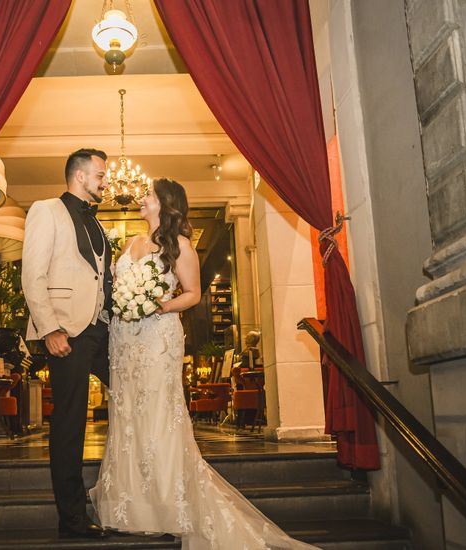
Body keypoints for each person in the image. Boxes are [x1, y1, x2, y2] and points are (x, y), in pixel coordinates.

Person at [89, 178, 317, 549]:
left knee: (159, 414)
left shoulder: (181, 246)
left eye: (148, 195)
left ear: (165, 203)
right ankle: (129, 505)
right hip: (124, 339)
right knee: (127, 414)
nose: (142, 199)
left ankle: (165, 504)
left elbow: (193, 294)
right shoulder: (130, 243)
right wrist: (124, 306)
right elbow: (114, 289)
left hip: (157, 337)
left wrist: (156, 304)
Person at [21, 148, 113, 539]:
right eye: (100, 176)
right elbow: (32, 274)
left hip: (101, 331)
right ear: (79, 176)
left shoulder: (100, 225)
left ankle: (136, 495)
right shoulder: (46, 210)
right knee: (71, 423)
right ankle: (72, 519)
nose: (105, 182)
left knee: (137, 396)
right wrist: (49, 329)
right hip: (65, 333)